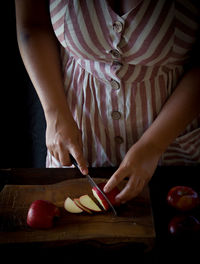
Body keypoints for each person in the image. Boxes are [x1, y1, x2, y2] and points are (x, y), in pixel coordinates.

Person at [15, 0, 200, 204]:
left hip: (172, 138)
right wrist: (54, 113)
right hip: (78, 135)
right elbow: (33, 24)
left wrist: (154, 144)